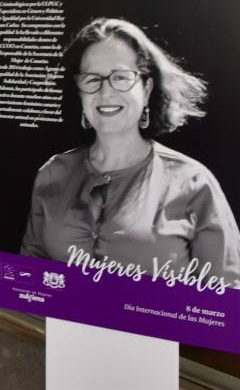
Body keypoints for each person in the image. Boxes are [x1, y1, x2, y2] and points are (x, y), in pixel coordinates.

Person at [21, 18, 240, 284]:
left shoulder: (193, 183)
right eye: (92, 79)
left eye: (121, 77)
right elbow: (30, 274)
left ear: (146, 89)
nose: (106, 92)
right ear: (79, 91)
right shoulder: (53, 173)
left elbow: (227, 293)